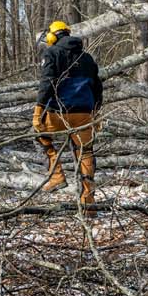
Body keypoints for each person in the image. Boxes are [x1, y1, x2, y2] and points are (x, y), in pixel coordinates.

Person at [34, 20, 103, 209]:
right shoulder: (87, 57)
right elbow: (97, 87)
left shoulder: (52, 52)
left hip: (59, 113)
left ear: (52, 36)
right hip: (84, 114)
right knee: (85, 151)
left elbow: (47, 83)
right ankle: (87, 200)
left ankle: (57, 176)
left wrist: (39, 109)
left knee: (39, 136)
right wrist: (96, 112)